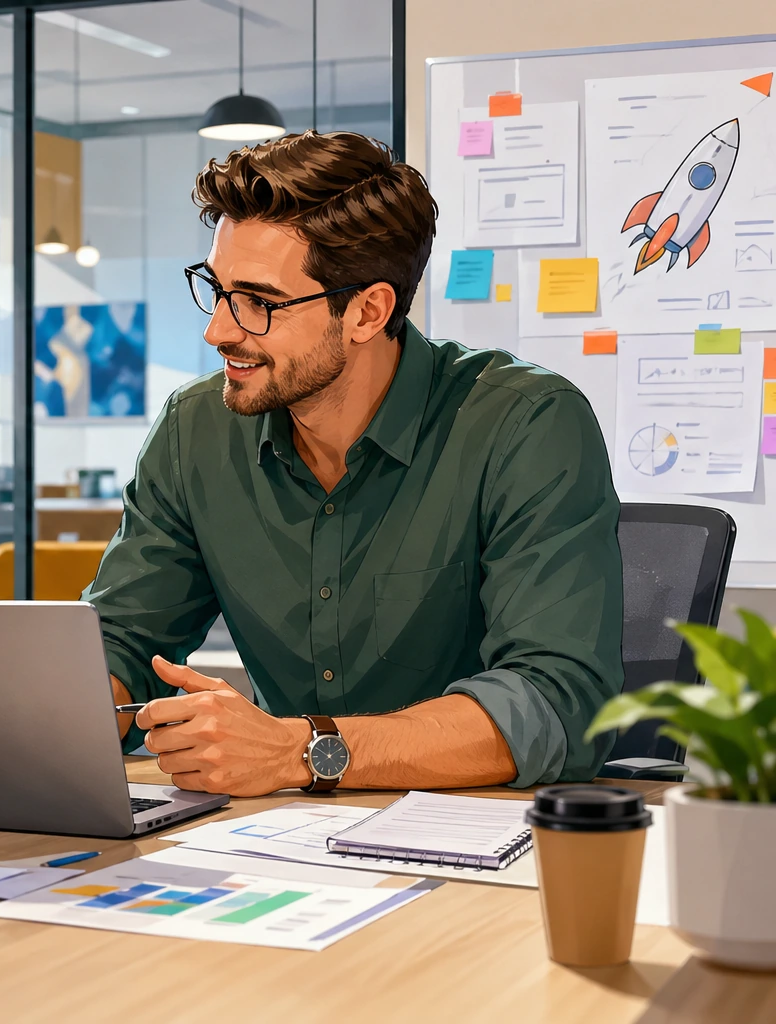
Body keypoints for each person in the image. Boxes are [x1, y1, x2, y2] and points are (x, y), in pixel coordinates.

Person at [90, 131, 624, 797]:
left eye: (259, 302)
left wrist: (303, 750)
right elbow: (123, 639)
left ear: (369, 311)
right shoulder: (194, 429)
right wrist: (41, 720)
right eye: (217, 288)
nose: (219, 330)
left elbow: (556, 700)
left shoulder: (525, 424)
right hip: (273, 843)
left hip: (484, 848)